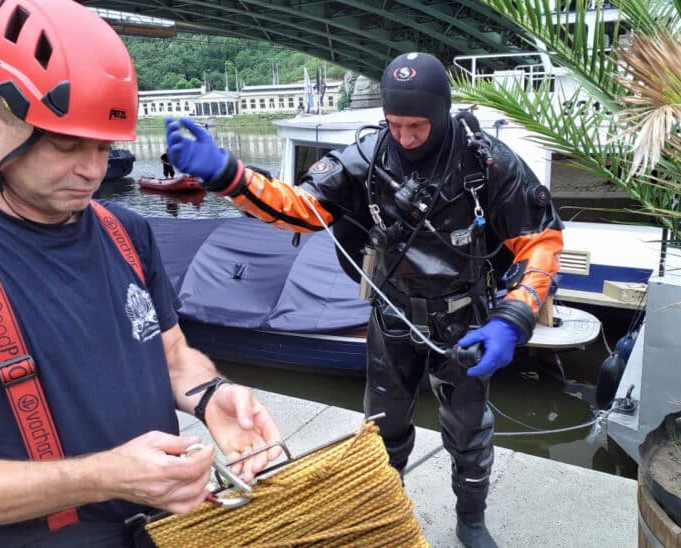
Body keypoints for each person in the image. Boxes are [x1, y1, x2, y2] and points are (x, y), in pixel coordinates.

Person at [166, 51, 563, 548]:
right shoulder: (367, 156)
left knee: (468, 432)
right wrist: (230, 176)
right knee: (383, 429)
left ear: (441, 113)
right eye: (394, 124)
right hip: (392, 316)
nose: (405, 136)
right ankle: (384, 509)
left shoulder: (486, 162)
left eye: (417, 125)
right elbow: (303, 210)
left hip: (466, 320)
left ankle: (471, 521)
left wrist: (514, 319)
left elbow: (541, 240)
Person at [0, 1, 281, 546]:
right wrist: (103, 475)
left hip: (163, 533)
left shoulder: (127, 231)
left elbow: (170, 354)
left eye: (104, 146)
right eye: (66, 144)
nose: (92, 170)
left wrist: (212, 396)